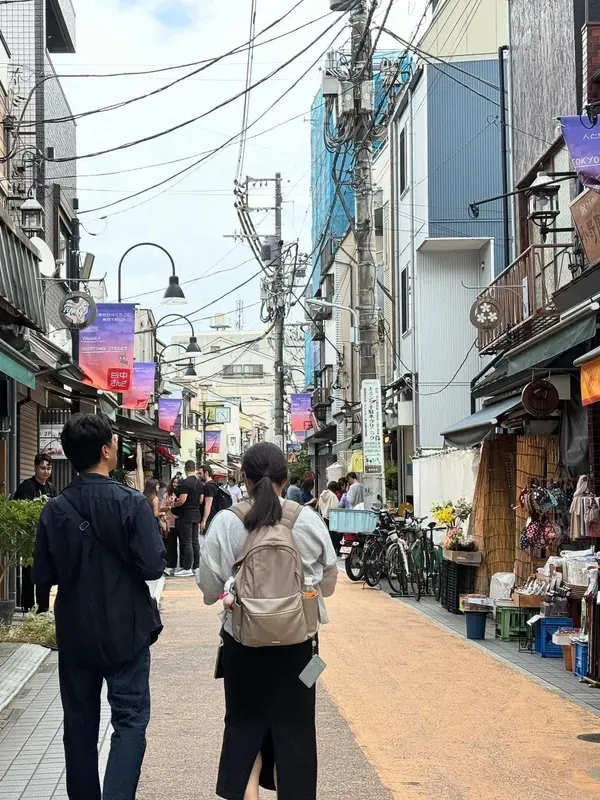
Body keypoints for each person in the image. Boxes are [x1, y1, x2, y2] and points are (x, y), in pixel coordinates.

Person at [33, 413, 165, 800]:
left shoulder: (54, 509)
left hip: (75, 629)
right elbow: (153, 566)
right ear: (106, 450)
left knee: (79, 726)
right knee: (130, 720)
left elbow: (43, 575)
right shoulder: (132, 503)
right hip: (127, 627)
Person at [197, 442, 338, 800]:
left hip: (242, 644)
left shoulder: (227, 521)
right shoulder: (306, 519)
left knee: (244, 727)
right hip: (299, 647)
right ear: (285, 479)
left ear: (244, 479)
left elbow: (209, 588)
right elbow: (329, 584)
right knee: (295, 730)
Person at [15, 453, 57, 613]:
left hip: (46, 537)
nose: (45, 471)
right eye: (42, 468)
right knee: (28, 572)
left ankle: (43, 607)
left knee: (45, 572)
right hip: (29, 537)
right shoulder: (26, 487)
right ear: (35, 467)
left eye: (48, 468)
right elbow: (19, 510)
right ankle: (27, 606)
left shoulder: (51, 488)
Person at [172, 460, 204, 578]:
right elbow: (201, 500)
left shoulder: (185, 483)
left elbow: (182, 500)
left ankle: (187, 568)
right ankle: (196, 566)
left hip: (186, 515)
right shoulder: (200, 483)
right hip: (196, 514)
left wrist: (174, 504)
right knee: (195, 540)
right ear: (194, 469)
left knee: (187, 541)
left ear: (186, 469)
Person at [162, 476, 180, 576]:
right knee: (171, 545)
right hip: (170, 522)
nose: (175, 484)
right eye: (174, 482)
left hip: (181, 522)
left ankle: (183, 567)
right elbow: (161, 507)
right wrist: (169, 506)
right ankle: (171, 566)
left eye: (177, 483)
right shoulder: (167, 494)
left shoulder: (183, 494)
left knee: (184, 545)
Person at [319, 482, 340, 554]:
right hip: (331, 518)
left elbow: (319, 505)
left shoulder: (322, 495)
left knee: (326, 536)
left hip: (324, 517)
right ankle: (334, 552)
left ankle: (327, 552)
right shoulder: (333, 496)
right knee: (333, 537)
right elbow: (335, 508)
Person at [199, 463, 219, 533]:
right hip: (212, 517)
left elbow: (208, 504)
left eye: (200, 473)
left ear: (206, 473)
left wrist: (204, 521)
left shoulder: (209, 486)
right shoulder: (213, 485)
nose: (199, 476)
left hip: (209, 518)